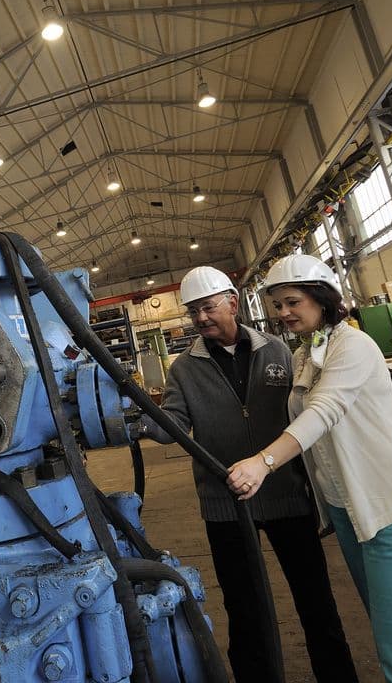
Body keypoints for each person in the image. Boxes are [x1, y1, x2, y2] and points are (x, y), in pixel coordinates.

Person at [227, 254, 392, 683]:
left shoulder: (355, 346)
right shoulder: (305, 353)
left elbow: (324, 411)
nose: (284, 313)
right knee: (389, 639)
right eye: (278, 304)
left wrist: (264, 462)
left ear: (323, 299)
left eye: (293, 302)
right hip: (350, 514)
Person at [142, 266, 358, 683]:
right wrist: (143, 419)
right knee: (244, 607)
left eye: (207, 307)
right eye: (193, 312)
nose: (201, 318)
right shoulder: (184, 368)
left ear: (232, 303)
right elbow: (173, 424)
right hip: (225, 505)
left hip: (286, 494)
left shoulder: (278, 351)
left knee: (315, 600)